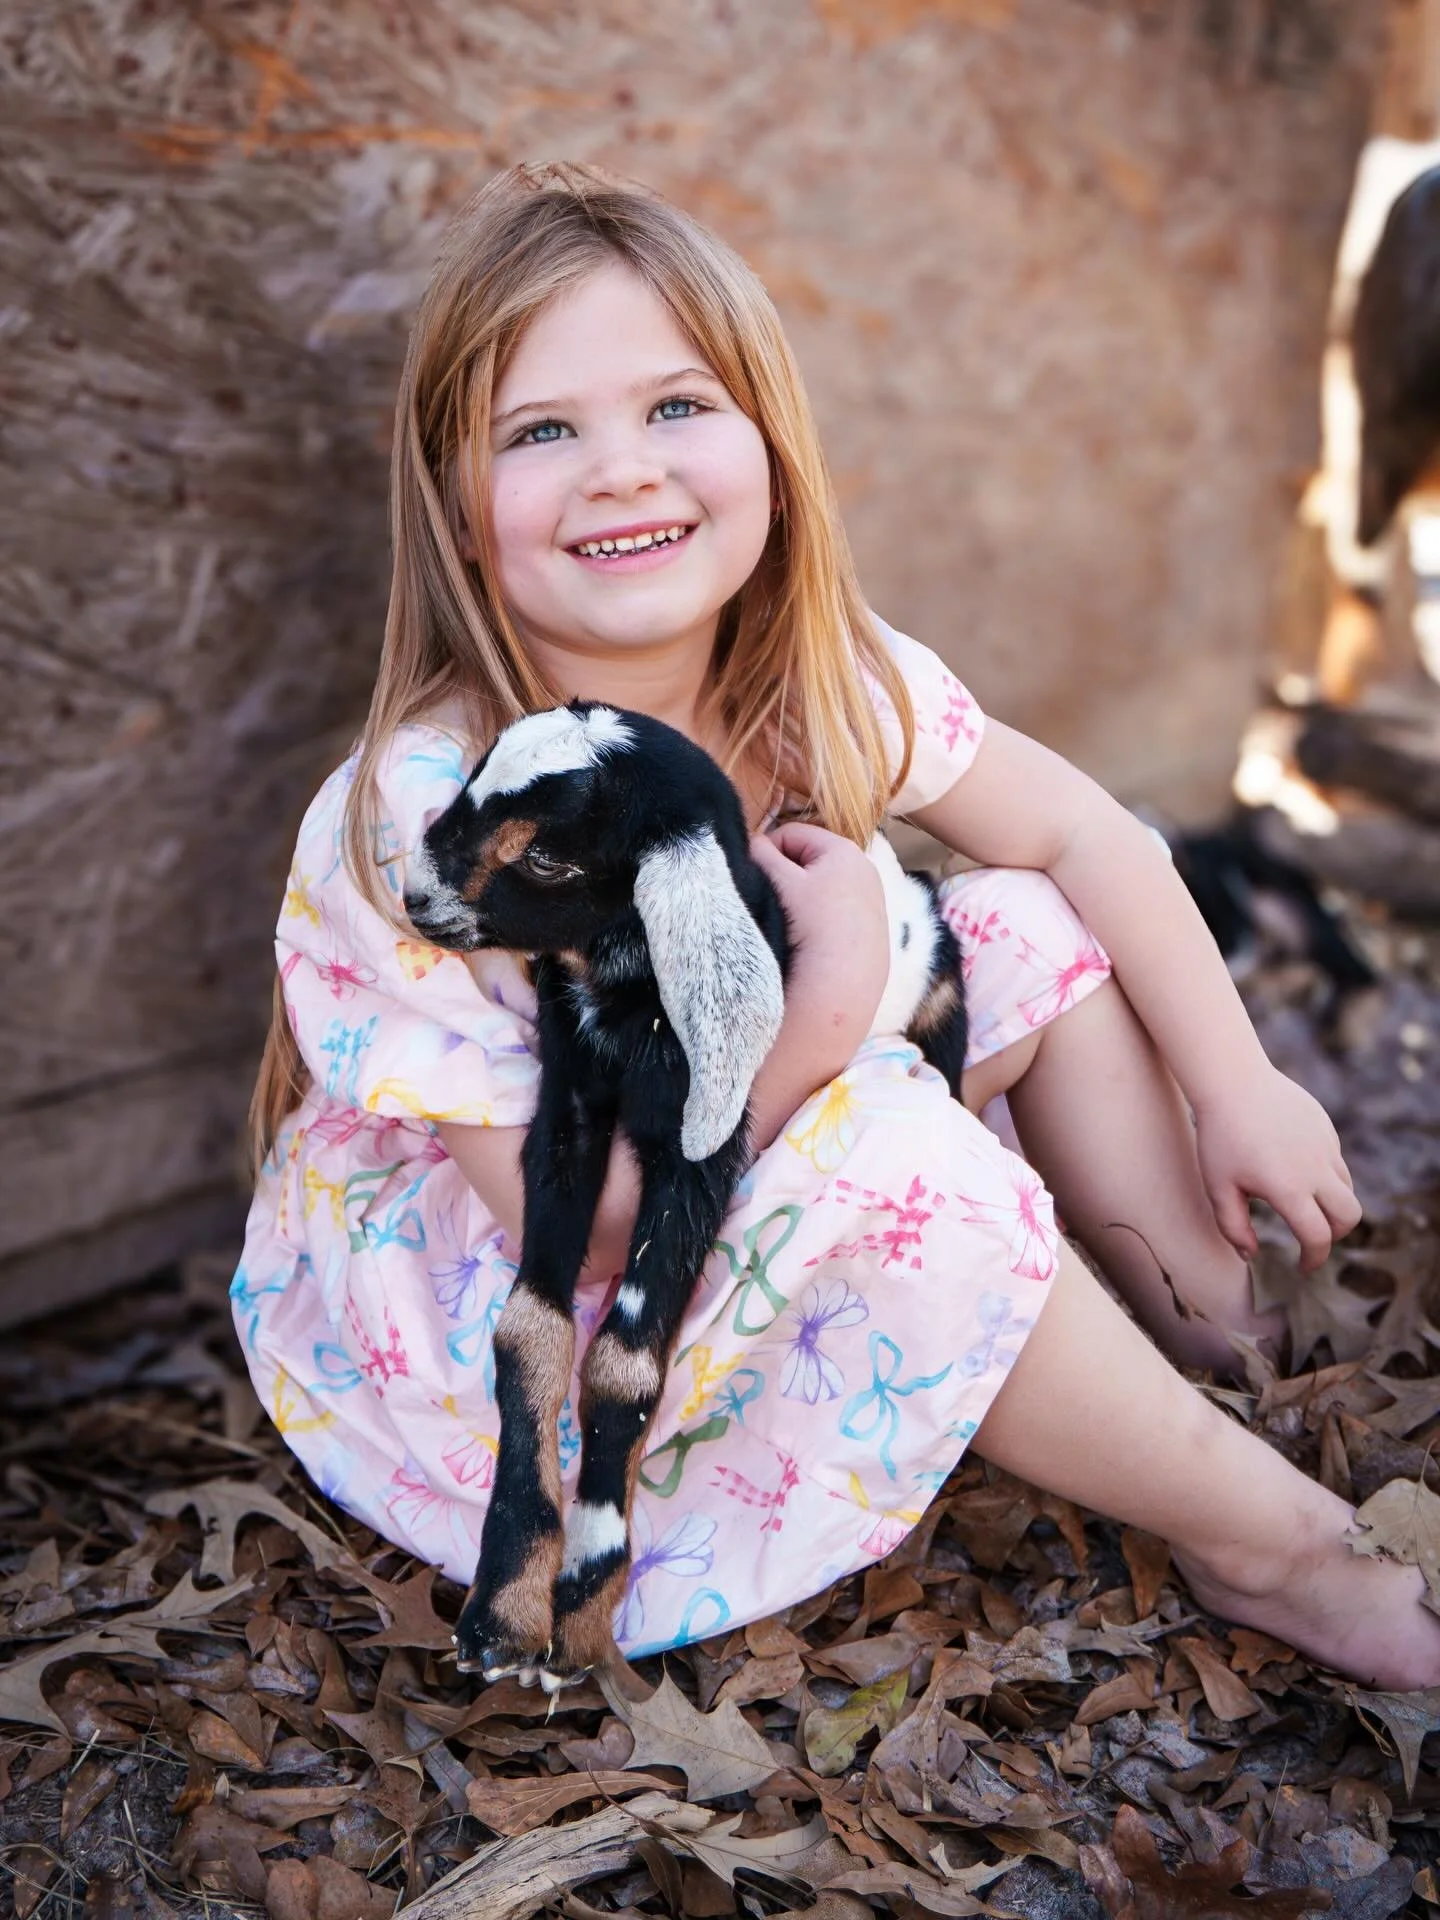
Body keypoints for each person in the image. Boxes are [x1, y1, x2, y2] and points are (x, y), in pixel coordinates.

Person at [236, 162, 1440, 1691]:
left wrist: (1239, 1082)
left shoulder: (814, 677)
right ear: (462, 516)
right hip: (530, 1319)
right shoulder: (447, 813)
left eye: (678, 406)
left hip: (723, 1155)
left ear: (774, 453)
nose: (621, 470)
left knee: (1007, 916)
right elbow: (592, 1219)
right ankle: (1270, 1545)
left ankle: (1223, 1357)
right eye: (541, 432)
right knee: (885, 1132)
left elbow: (1081, 829)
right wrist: (833, 999)